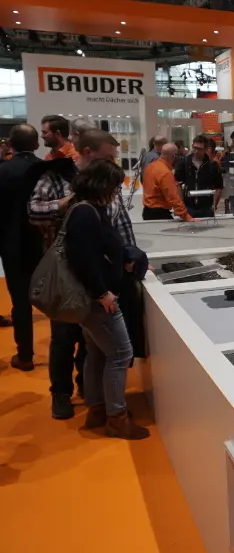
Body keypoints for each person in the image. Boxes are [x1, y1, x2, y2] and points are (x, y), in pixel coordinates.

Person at [30, 128, 136, 419]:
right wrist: (70, 201)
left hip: (96, 283)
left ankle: (93, 399)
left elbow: (120, 225)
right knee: (66, 339)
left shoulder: (105, 187)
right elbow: (36, 213)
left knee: (94, 349)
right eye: (109, 157)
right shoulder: (58, 178)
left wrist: (130, 256)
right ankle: (63, 394)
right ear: (90, 152)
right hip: (72, 283)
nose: (113, 162)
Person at [64, 159, 149, 440]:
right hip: (99, 300)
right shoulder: (86, 213)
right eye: (114, 186)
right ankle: (116, 417)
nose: (116, 191)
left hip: (95, 298)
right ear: (102, 185)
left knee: (98, 353)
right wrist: (101, 293)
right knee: (120, 354)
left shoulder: (86, 210)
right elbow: (83, 259)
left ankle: (98, 409)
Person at [0, 124, 43, 371]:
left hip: (12, 245)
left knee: (20, 301)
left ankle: (25, 356)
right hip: (43, 243)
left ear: (11, 144)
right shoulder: (46, 170)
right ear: (36, 144)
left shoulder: (3, 171)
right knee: (55, 296)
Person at [175, 135, 224, 218]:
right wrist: (181, 204)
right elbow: (177, 184)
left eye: (199, 149)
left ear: (205, 149)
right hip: (188, 207)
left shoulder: (212, 165)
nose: (196, 151)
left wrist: (214, 205)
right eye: (195, 148)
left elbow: (218, 187)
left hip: (206, 207)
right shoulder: (184, 163)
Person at [142, 142, 194, 221]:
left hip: (147, 211)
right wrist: (186, 216)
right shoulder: (165, 172)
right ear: (173, 156)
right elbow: (172, 197)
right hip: (159, 213)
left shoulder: (150, 166)